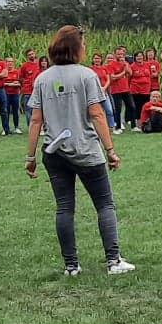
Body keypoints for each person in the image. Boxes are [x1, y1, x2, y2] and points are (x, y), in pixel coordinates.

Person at [25, 25, 131, 276]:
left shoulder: (42, 79)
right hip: (86, 150)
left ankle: (71, 265)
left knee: (64, 208)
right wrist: (111, 150)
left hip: (54, 152)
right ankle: (113, 261)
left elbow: (35, 120)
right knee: (105, 204)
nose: (85, 48)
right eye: (83, 44)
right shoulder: (87, 76)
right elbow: (97, 113)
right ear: (76, 47)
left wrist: (30, 157)